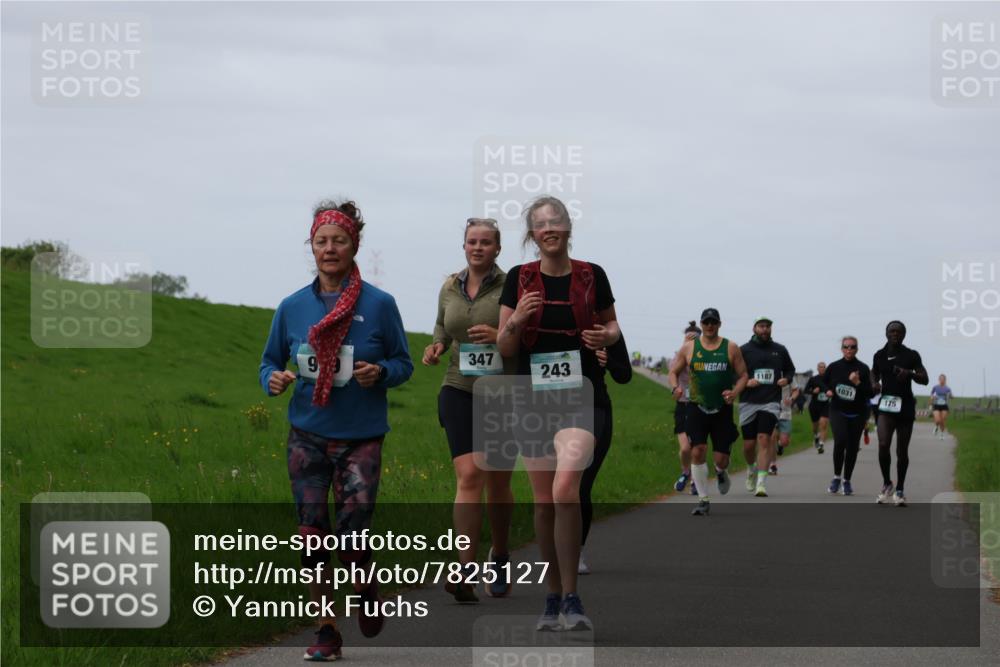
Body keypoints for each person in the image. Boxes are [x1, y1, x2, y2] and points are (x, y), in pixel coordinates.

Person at [258, 200, 414, 661]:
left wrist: (380, 372)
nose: (329, 249)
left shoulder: (380, 306)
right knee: (311, 535)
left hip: (361, 435)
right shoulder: (292, 307)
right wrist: (272, 379)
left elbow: (403, 363)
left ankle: (366, 587)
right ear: (312, 246)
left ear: (354, 245)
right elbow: (270, 361)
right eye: (321, 241)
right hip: (306, 433)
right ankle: (326, 630)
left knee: (350, 535)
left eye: (339, 241)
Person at [497, 196, 620, 631]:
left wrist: (601, 336)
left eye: (556, 221)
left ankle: (572, 597)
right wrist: (517, 320)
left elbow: (614, 326)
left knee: (566, 488)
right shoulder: (519, 279)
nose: (549, 229)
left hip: (581, 396)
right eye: (540, 224)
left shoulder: (591, 275)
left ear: (568, 228)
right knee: (545, 501)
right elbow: (504, 345)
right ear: (532, 235)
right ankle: (552, 597)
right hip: (533, 399)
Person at [423, 218, 514, 603]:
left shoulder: (513, 286)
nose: (477, 247)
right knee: (469, 474)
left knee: (497, 484)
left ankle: (501, 554)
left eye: (486, 242)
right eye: (471, 241)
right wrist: (437, 346)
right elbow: (443, 326)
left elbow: (527, 335)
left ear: (497, 248)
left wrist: (501, 336)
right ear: (463, 246)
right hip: (458, 388)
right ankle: (464, 569)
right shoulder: (449, 287)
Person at [667, 308, 749, 516]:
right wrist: (675, 388)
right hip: (696, 406)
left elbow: (743, 375)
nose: (710, 326)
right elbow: (673, 372)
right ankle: (703, 500)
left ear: (719, 324)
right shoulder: (689, 348)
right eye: (706, 322)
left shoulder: (730, 347)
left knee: (721, 459)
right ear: (702, 325)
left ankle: (721, 472)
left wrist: (735, 392)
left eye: (713, 322)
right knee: (697, 451)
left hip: (722, 409)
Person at [579, 333, 633, 574]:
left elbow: (624, 375)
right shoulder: (549, 318)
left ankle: (575, 550)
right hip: (548, 408)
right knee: (551, 490)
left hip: (593, 407)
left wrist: (607, 359)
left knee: (579, 485)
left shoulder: (605, 329)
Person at [872, 320, 928, 506]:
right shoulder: (879, 355)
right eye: (891, 331)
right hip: (886, 407)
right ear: (886, 334)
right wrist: (874, 383)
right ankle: (887, 482)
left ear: (904, 335)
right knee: (883, 444)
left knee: (901, 451)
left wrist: (909, 373)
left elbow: (925, 378)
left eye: (898, 331)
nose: (895, 334)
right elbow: (874, 373)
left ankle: (900, 489)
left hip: (905, 408)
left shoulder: (911, 355)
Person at [738, 316, 795, 497]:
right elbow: (734, 374)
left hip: (770, 401)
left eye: (768, 326)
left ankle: (761, 483)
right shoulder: (744, 350)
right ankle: (750, 468)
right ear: (754, 328)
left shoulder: (779, 350)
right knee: (748, 446)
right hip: (748, 402)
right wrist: (746, 382)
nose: (765, 329)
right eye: (761, 326)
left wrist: (786, 379)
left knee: (764, 438)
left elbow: (790, 369)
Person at [822, 336, 873, 496]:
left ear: (857, 349)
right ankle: (836, 477)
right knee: (840, 440)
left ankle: (847, 481)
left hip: (857, 413)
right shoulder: (834, 367)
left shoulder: (863, 368)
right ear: (842, 349)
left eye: (852, 347)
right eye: (846, 347)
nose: (849, 350)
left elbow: (870, 393)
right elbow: (822, 382)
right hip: (837, 410)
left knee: (852, 447)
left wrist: (858, 382)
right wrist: (827, 390)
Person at [671, 321, 702, 496]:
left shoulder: (704, 356)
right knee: (684, 448)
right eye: (688, 337)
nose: (691, 341)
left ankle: (695, 481)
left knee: (696, 447)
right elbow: (672, 370)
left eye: (694, 338)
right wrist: (684, 347)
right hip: (683, 405)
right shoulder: (679, 355)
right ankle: (685, 472)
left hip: (699, 405)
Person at [772, 381, 801, 473]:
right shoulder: (770, 371)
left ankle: (780, 446)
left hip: (785, 413)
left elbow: (796, 390)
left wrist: (791, 398)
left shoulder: (789, 375)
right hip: (771, 411)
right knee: (772, 438)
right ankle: (772, 465)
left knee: (784, 441)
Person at [804, 363, 830, 453]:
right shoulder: (813, 379)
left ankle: (821, 445)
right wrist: (813, 391)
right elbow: (805, 390)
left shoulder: (829, 379)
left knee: (823, 424)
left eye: (823, 367)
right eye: (820, 367)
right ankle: (816, 436)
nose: (822, 369)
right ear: (817, 369)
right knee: (815, 426)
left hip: (825, 405)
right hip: (814, 405)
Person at [929, 374, 953, 440]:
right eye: (941, 379)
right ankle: (936, 426)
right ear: (939, 380)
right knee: (937, 420)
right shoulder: (935, 387)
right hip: (936, 405)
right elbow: (931, 394)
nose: (942, 380)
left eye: (943, 379)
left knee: (942, 420)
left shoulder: (947, 388)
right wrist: (932, 400)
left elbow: (951, 396)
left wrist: (950, 396)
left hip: (944, 406)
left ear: (945, 380)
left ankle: (942, 434)